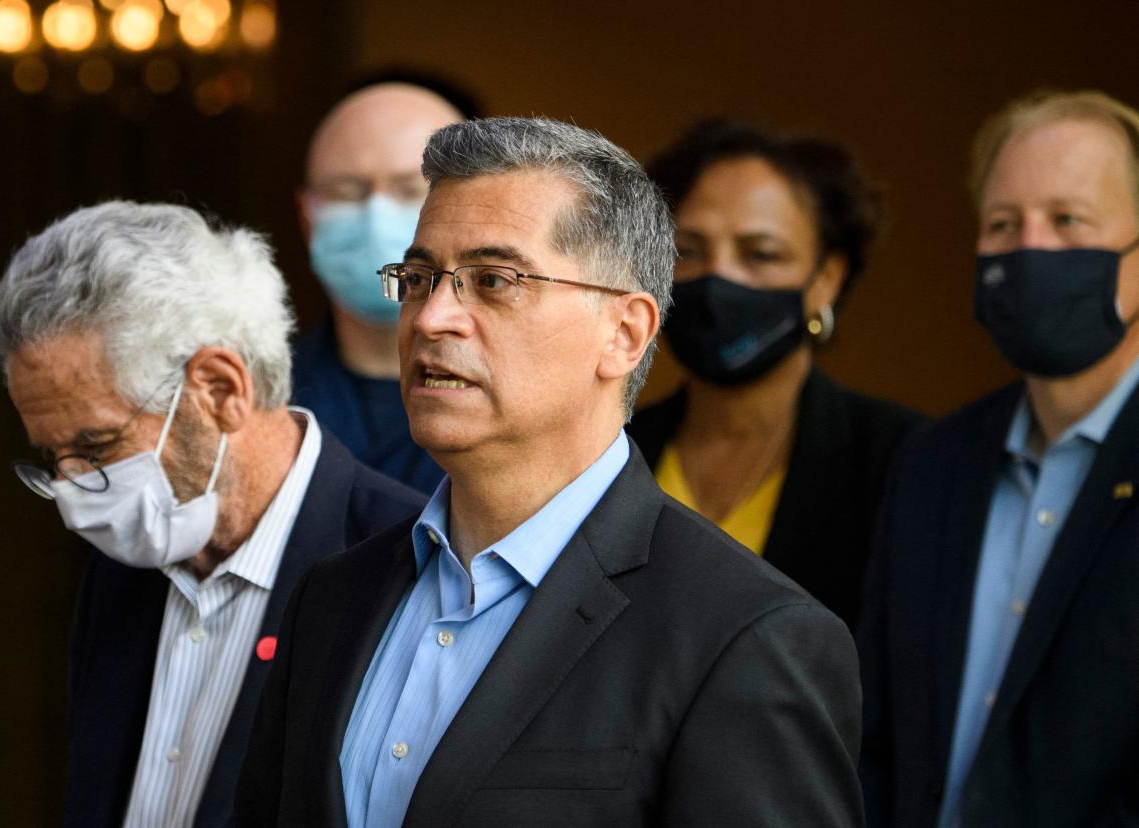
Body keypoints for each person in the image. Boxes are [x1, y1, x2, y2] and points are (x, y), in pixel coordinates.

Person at [236, 116, 864, 826]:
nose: (433, 316)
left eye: (494, 280)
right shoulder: (331, 597)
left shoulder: (746, 637)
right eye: (418, 278)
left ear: (624, 333)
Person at [0, 202, 425, 828]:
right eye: (55, 456)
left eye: (96, 447)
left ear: (220, 389)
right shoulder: (120, 572)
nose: (73, 494)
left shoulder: (413, 568)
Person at [858, 90, 1139, 826]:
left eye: (1068, 220)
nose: (1029, 250)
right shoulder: (931, 464)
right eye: (1003, 224)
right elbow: (876, 736)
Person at [628, 120, 923, 627]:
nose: (719, 278)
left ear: (826, 279)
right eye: (688, 251)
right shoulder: (611, 451)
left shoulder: (904, 461)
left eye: (760, 254)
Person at [292, 81, 465, 494]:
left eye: (410, 190)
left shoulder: (531, 404)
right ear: (307, 215)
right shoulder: (261, 401)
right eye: (346, 192)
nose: (376, 214)